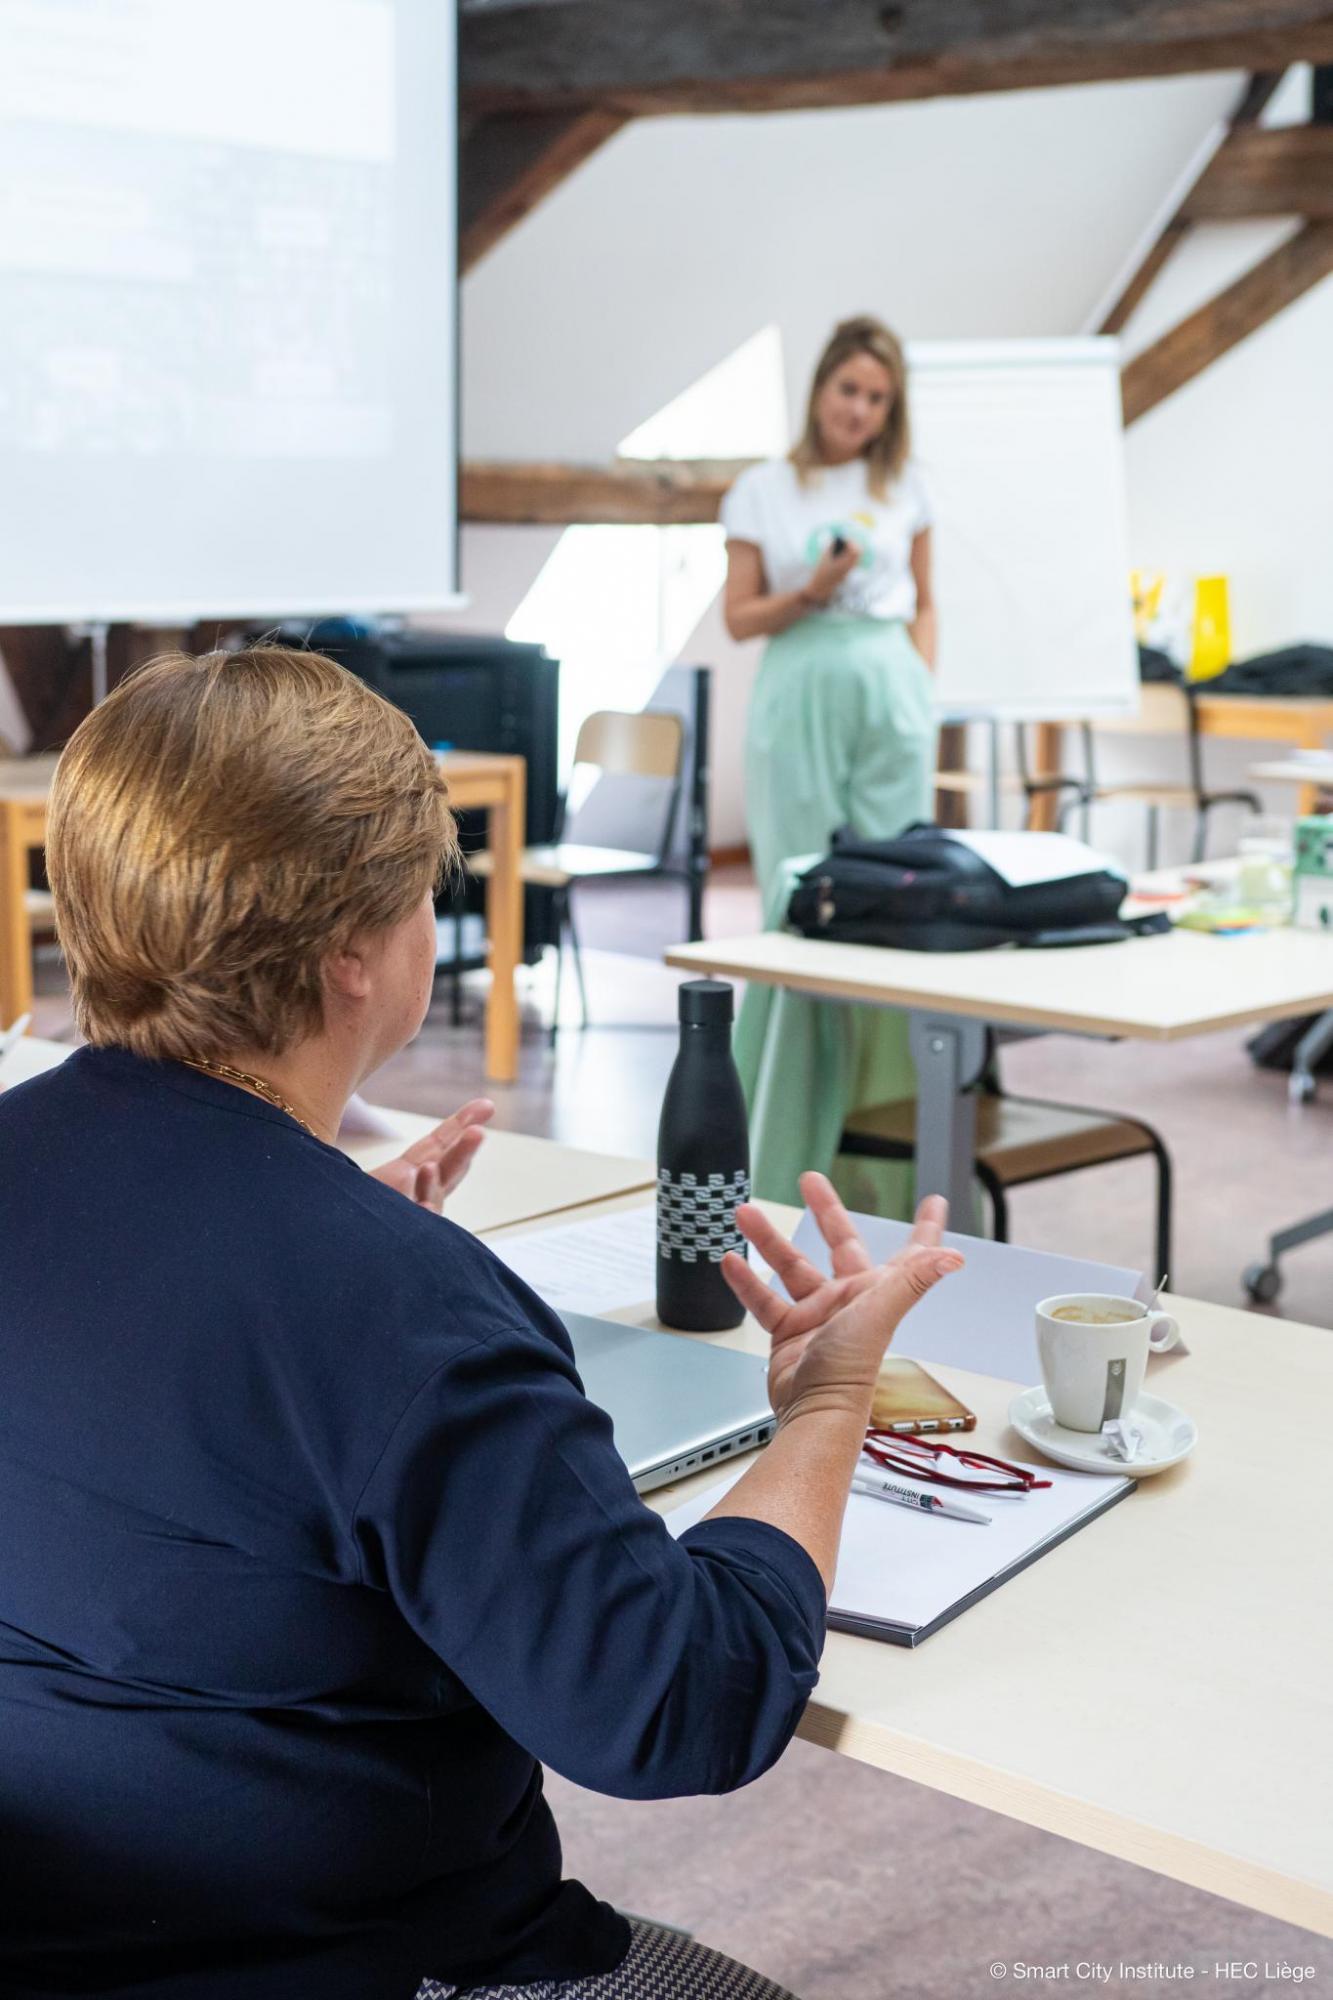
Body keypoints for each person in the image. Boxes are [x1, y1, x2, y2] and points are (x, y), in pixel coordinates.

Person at [0, 645, 962, 2000]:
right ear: (354, 955)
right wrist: (822, 1404)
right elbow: (675, 1706)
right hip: (367, 1960)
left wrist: (319, 1240)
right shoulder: (406, 1315)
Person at [720, 314, 939, 1209]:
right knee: (802, 896)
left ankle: (883, 1164)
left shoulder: (908, 486)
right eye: (849, 389)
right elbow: (739, 618)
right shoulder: (763, 490)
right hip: (799, 677)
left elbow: (927, 601)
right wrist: (807, 592)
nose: (860, 409)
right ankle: (781, 1149)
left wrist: (918, 683)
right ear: (819, 389)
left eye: (877, 397)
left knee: (895, 901)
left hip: (887, 683)